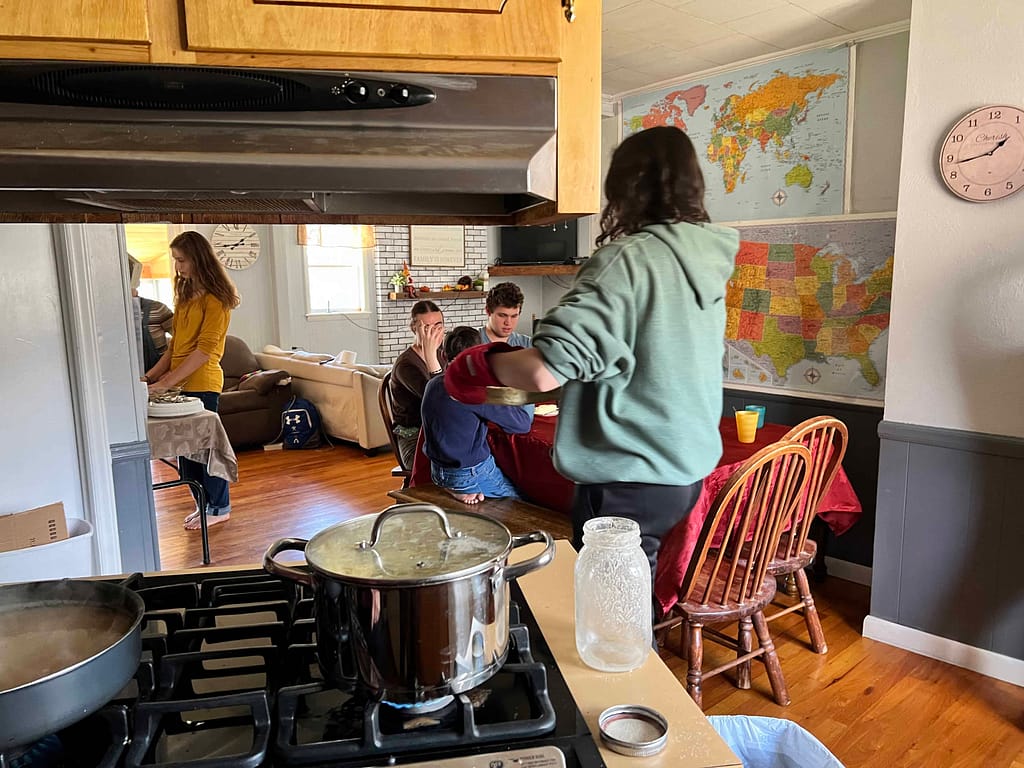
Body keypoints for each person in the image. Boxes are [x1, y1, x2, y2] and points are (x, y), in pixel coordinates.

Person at [445, 126, 740, 616]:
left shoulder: (626, 261)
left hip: (627, 476)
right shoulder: (700, 264)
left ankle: (622, 691)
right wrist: (503, 393)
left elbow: (544, 373)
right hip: (682, 476)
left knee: (612, 616)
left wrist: (476, 363)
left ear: (621, 189)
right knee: (627, 601)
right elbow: (620, 377)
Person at [146, 230, 240, 531]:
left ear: (199, 259)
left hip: (203, 383)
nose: (178, 267)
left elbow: (203, 352)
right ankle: (203, 505)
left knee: (205, 452)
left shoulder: (217, 300)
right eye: (176, 260)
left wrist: (165, 384)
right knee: (186, 452)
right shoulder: (185, 296)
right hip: (181, 384)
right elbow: (175, 348)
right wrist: (150, 376)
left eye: (182, 260)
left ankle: (220, 507)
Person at [421, 326, 532, 504]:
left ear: (443, 355)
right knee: (521, 500)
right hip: (467, 472)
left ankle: (459, 489)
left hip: (438, 470)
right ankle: (466, 488)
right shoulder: (474, 391)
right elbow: (522, 425)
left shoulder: (433, 384)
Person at [388, 300, 445, 469]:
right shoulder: (406, 364)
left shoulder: (443, 353)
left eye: (438, 325)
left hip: (439, 431)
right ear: (414, 328)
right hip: (414, 439)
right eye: (426, 327)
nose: (433, 332)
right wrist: (430, 355)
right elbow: (438, 401)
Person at [478, 281, 533, 347]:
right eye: (502, 315)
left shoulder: (528, 345)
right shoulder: (471, 343)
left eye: (514, 316)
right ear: (488, 311)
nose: (508, 323)